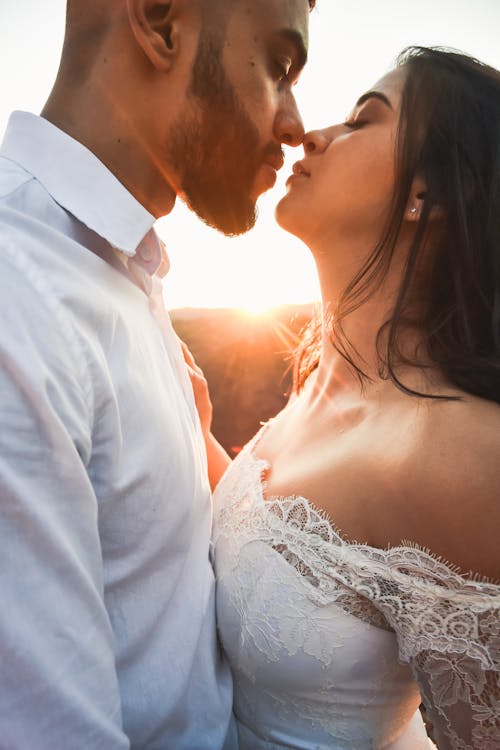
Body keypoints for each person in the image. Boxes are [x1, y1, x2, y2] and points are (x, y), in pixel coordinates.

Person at [0, 0, 315, 747]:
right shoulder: (21, 299)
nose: (297, 121)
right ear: (160, 19)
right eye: (278, 63)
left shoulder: (120, 265)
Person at [187, 46, 500, 749]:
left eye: (364, 119)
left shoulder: (459, 452)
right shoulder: (319, 383)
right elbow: (289, 547)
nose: (311, 134)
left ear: (431, 195)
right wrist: (196, 439)